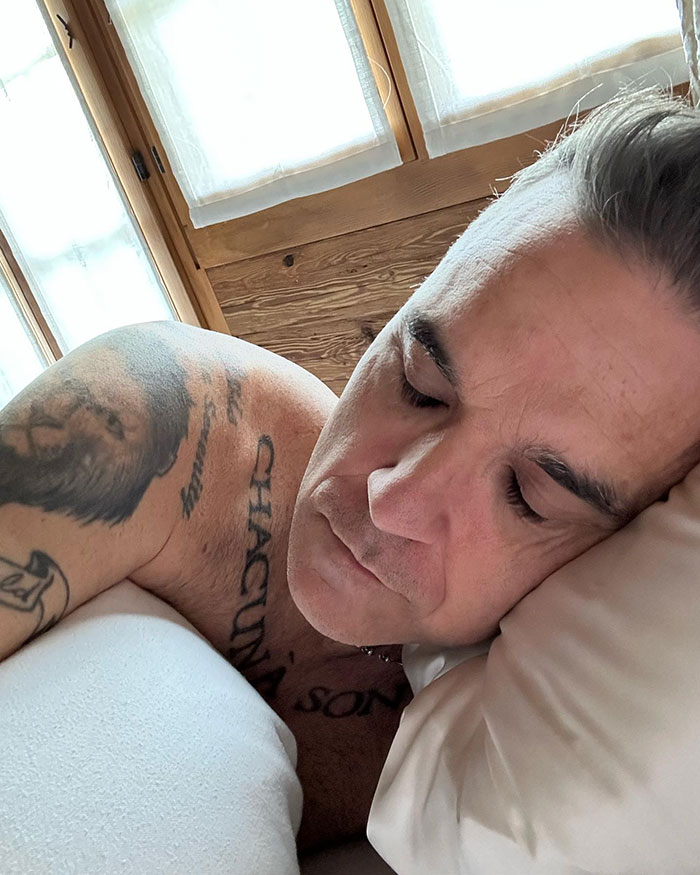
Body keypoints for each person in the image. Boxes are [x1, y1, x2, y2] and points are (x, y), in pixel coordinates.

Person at [2, 87, 700, 853]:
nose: (391, 497)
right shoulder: (158, 430)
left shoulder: (552, 769)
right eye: (418, 382)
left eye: (528, 496)